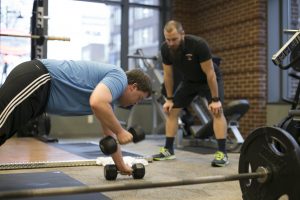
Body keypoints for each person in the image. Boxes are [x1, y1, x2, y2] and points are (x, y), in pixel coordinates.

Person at [0, 59, 152, 174]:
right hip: (38, 77)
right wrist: (121, 131)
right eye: (139, 98)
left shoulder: (108, 102)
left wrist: (121, 166)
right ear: (133, 87)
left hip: (40, 94)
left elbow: (109, 135)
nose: (136, 103)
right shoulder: (119, 77)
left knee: (4, 131)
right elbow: (97, 102)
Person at [152, 20, 229, 167]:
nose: (171, 43)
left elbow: (210, 73)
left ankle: (222, 153)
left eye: (174, 39)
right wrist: (169, 98)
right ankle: (168, 150)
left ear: (183, 34)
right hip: (189, 81)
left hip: (208, 79)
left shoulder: (198, 44)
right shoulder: (166, 49)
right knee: (172, 111)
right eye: (168, 40)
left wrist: (215, 99)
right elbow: (168, 76)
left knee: (217, 112)